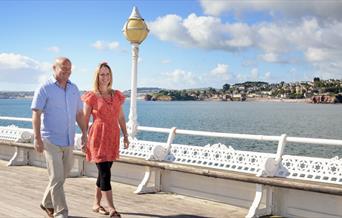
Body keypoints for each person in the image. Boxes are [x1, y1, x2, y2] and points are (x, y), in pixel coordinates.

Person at [31, 57, 87, 218]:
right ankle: (61, 212)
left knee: (62, 177)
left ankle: (46, 203)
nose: (67, 72)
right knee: (56, 177)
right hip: (50, 140)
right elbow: (36, 114)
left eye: (69, 70)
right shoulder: (44, 88)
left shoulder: (74, 89)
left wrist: (84, 133)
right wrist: (37, 138)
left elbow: (78, 113)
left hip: (69, 140)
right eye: (63, 69)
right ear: (54, 68)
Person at [82, 62, 129, 218]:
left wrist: (126, 135)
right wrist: (83, 137)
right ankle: (112, 209)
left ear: (111, 76)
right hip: (98, 137)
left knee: (104, 171)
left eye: (107, 74)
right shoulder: (92, 96)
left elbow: (121, 116)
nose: (105, 77)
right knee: (105, 174)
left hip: (112, 137)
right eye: (102, 74)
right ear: (97, 76)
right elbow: (85, 118)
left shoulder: (116, 95)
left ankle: (96, 203)